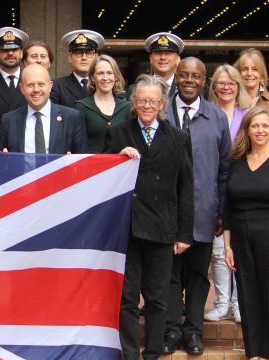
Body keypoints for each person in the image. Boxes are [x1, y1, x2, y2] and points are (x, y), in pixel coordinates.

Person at [105, 74, 193, 360]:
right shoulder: (118, 133)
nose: (146, 106)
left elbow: (186, 187)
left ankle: (153, 351)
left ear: (162, 103)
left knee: (157, 297)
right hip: (127, 227)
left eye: (152, 101)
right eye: (141, 100)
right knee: (127, 297)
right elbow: (102, 176)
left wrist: (183, 233)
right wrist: (117, 157)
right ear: (133, 102)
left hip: (162, 227)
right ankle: (130, 353)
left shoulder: (179, 138)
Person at [162, 57, 231, 355]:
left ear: (205, 81)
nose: (189, 81)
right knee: (169, 275)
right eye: (184, 75)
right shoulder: (161, 112)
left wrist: (222, 212)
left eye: (196, 76)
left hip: (204, 211)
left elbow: (225, 169)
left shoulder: (216, 117)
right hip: (166, 212)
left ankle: (193, 331)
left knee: (198, 276)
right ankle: (170, 328)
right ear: (176, 77)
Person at [223, 107, 269, 360]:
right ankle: (253, 353)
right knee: (248, 297)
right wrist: (227, 246)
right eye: (255, 126)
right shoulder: (237, 161)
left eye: (265, 126)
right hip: (241, 237)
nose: (261, 130)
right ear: (247, 130)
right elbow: (228, 208)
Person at [204, 64, 251, 323]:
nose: (226, 87)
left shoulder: (248, 114)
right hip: (215, 188)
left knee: (239, 249)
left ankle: (238, 302)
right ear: (213, 87)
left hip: (242, 188)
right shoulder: (207, 113)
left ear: (238, 86)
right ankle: (222, 302)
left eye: (231, 82)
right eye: (220, 83)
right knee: (219, 250)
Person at [0, 64, 88, 154]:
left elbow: (82, 159)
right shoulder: (9, 120)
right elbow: (2, 160)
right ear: (22, 88)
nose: (36, 89)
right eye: (30, 85)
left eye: (41, 84)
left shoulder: (72, 118)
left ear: (50, 86)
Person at [234, 48, 269, 151]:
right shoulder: (231, 102)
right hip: (237, 163)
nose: (249, 73)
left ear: (261, 74)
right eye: (244, 69)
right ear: (238, 73)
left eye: (255, 69)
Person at [75, 54, 131, 152]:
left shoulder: (126, 107)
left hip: (121, 166)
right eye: (100, 73)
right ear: (92, 77)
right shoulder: (81, 107)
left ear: (116, 77)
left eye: (109, 73)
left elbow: (131, 140)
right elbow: (78, 144)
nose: (105, 78)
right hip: (91, 165)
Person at [51, 29, 105, 108]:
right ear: (70, 57)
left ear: (96, 57)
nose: (84, 57)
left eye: (89, 53)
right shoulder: (56, 86)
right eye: (78, 53)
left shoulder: (105, 84)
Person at [128, 33, 184, 99]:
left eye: (168, 53)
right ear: (151, 58)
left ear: (177, 58)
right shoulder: (135, 89)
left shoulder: (185, 88)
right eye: (158, 53)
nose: (163, 57)